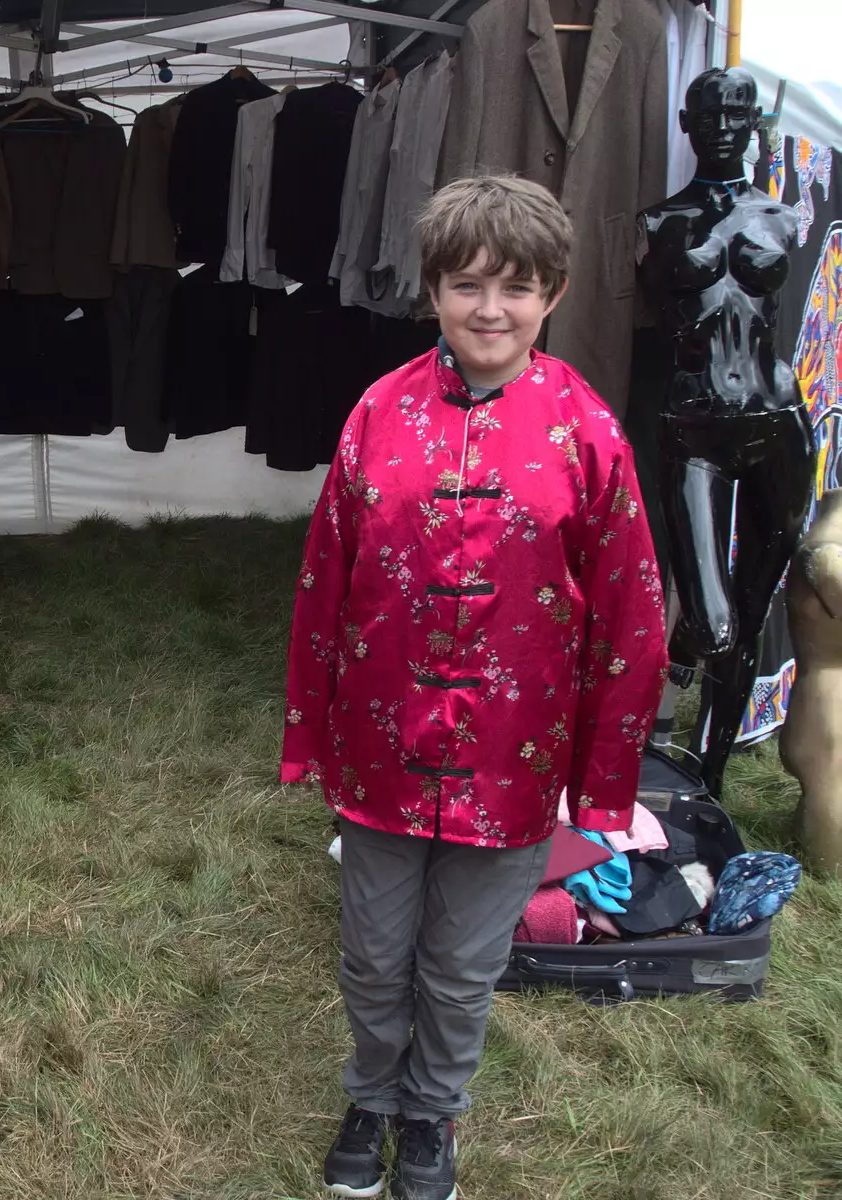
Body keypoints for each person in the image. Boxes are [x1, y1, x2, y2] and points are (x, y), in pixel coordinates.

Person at [281, 176, 667, 1200]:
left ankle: (432, 1112)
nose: (488, 310)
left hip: (512, 758)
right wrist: (307, 734)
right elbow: (323, 579)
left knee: (459, 969)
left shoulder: (588, 433)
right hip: (380, 744)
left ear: (554, 293)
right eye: (466, 285)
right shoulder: (377, 413)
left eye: (514, 288)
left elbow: (628, 616)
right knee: (373, 954)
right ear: (434, 291)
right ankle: (371, 1093)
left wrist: (601, 783)